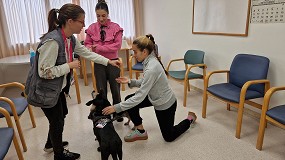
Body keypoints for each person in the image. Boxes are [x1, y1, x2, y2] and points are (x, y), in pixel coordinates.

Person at [25, 3, 120, 160]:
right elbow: (44, 72)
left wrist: (108, 62)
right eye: (81, 22)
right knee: (57, 121)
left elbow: (87, 54)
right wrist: (68, 66)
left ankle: (51, 143)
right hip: (45, 90)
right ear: (70, 21)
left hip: (57, 88)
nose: (84, 25)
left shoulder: (70, 38)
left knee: (62, 115)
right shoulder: (53, 42)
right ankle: (58, 154)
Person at [102, 34, 197, 142]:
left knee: (169, 137)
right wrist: (130, 81)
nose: (134, 55)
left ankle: (189, 119)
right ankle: (141, 131)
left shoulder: (152, 67)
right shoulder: (148, 61)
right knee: (130, 99)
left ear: (144, 52)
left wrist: (116, 107)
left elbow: (140, 96)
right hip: (154, 97)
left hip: (165, 103)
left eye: (135, 52)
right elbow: (147, 82)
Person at [84, 0, 124, 122]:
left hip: (113, 62)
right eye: (98, 16)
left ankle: (117, 111)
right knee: (101, 90)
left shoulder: (116, 28)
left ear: (108, 14)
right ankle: (104, 112)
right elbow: (87, 45)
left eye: (103, 16)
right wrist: (91, 48)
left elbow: (116, 46)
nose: (101, 19)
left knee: (115, 88)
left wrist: (99, 48)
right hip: (99, 63)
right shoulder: (91, 28)